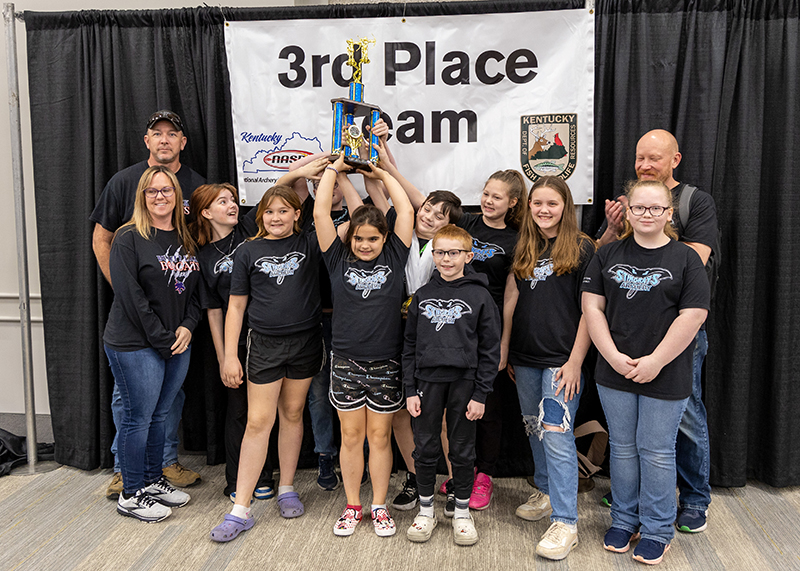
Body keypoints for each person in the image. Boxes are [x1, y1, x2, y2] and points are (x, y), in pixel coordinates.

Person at [582, 179, 710, 565]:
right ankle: (624, 518)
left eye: (656, 209)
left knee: (655, 451)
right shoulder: (608, 255)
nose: (647, 215)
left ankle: (656, 528)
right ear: (628, 210)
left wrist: (656, 360)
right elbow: (592, 309)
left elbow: (694, 316)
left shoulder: (686, 259)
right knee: (622, 449)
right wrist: (612, 355)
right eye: (639, 208)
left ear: (669, 214)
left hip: (666, 372)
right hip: (614, 369)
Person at [597, 130, 718, 533]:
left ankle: (695, 499)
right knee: (628, 440)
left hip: (675, 336)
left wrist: (650, 234)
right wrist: (615, 230)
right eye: (639, 158)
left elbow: (693, 264)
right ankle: (631, 499)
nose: (645, 164)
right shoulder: (626, 205)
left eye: (654, 158)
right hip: (625, 337)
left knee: (683, 417)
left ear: (675, 159)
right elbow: (601, 262)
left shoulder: (694, 202)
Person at [91, 110, 205, 497]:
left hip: (176, 328)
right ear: (147, 140)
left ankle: (162, 467)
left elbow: (196, 268)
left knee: (166, 404)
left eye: (172, 134)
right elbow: (100, 240)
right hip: (138, 328)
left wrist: (186, 323)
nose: (164, 140)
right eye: (157, 133)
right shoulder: (124, 185)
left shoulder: (194, 189)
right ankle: (128, 475)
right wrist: (126, 288)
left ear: (182, 142)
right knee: (132, 403)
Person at [209, 185, 323, 542]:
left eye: (284, 211)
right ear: (261, 216)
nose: (276, 218)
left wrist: (333, 170)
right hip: (264, 345)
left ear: (297, 214)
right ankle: (240, 509)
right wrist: (229, 355)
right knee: (258, 422)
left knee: (292, 413)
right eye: (270, 212)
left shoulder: (309, 244)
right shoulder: (248, 250)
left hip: (305, 342)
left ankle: (287, 487)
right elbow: (236, 307)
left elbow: (324, 212)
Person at [314, 153, 414, 537]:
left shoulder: (395, 254)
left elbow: (403, 210)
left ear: (385, 239)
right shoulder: (337, 258)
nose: (366, 244)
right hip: (347, 363)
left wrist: (384, 173)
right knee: (352, 437)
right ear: (349, 238)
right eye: (360, 238)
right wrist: (333, 171)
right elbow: (323, 213)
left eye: (373, 238)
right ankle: (353, 505)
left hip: (386, 363)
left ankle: (379, 506)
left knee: (379, 437)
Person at [500, 176, 595, 560]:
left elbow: (592, 309)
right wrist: (506, 346)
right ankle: (544, 490)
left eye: (551, 204)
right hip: (525, 359)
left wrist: (575, 363)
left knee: (557, 435)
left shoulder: (583, 247)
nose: (543, 210)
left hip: (562, 362)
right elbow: (512, 296)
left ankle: (566, 522)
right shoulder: (527, 243)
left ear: (566, 206)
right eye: (537, 203)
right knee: (534, 428)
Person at [104, 165, 201, 522]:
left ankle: (151, 480)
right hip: (135, 344)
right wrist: (163, 340)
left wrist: (189, 326)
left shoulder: (184, 237)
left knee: (161, 415)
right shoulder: (128, 238)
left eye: (167, 190)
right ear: (142, 197)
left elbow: (194, 292)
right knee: (138, 418)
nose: (160, 197)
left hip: (177, 342)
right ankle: (131, 493)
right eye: (152, 191)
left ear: (177, 196)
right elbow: (131, 298)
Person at [403, 225, 500, 546]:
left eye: (453, 252)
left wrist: (481, 393)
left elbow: (490, 349)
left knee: (461, 450)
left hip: (465, 383)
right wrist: (410, 389)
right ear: (433, 255)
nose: (446, 258)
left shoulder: (480, 295)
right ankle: (426, 510)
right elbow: (409, 345)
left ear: (468, 256)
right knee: (426, 448)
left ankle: (461, 512)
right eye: (440, 252)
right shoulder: (423, 295)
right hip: (427, 383)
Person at [189, 183, 277, 503]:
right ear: (206, 212)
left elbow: (280, 188)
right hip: (234, 341)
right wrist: (225, 357)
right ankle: (236, 481)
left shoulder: (248, 230)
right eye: (221, 201)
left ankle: (264, 475)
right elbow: (213, 311)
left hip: (267, 335)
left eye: (232, 200)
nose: (231, 205)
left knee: (262, 412)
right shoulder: (201, 255)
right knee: (238, 411)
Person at [276, 154, 353, 491]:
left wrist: (343, 173)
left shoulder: (356, 213)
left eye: (334, 182)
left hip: (351, 320)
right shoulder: (301, 215)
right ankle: (325, 455)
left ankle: (359, 453)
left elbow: (370, 211)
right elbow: (273, 196)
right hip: (313, 318)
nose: (328, 188)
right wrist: (301, 171)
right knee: (318, 394)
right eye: (319, 182)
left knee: (352, 391)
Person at [455, 169, 526, 510]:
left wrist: (503, 343)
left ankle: (485, 476)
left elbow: (511, 295)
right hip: (455, 327)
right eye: (486, 193)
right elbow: (419, 204)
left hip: (490, 331)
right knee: (458, 405)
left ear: (512, 202)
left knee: (489, 408)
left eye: (497, 197)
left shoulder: (516, 238)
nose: (488, 201)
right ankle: (463, 472)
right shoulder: (466, 225)